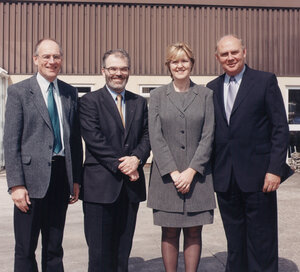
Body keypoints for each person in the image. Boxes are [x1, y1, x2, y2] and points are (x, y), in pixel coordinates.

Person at [207, 35, 291, 272]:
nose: (230, 58)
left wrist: (275, 169)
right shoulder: (211, 89)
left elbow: (280, 128)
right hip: (226, 179)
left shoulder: (264, 81)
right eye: (224, 54)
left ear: (244, 52)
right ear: (217, 58)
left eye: (234, 52)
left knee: (261, 241)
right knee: (235, 242)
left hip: (259, 178)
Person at [3, 38, 83, 272]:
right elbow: (11, 141)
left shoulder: (69, 92)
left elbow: (74, 141)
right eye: (46, 56)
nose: (52, 61)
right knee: (26, 247)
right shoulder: (19, 92)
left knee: (54, 247)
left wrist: (75, 178)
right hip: (30, 181)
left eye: (56, 56)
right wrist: (16, 184)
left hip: (60, 178)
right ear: (35, 59)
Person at [79, 49, 150, 272]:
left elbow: (148, 135)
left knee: (122, 251)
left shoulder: (139, 102)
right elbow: (94, 139)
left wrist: (137, 158)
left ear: (129, 72)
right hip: (100, 188)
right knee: (100, 255)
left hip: (130, 189)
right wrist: (125, 165)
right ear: (103, 71)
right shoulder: (89, 101)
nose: (118, 73)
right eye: (113, 68)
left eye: (123, 69)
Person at [147, 42, 216, 272]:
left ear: (192, 64)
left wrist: (191, 170)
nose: (180, 65)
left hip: (198, 177)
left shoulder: (206, 94)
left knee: (195, 230)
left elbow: (209, 135)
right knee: (169, 230)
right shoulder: (157, 96)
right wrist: (175, 173)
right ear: (168, 65)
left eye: (184, 60)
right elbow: (155, 137)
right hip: (167, 178)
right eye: (175, 61)